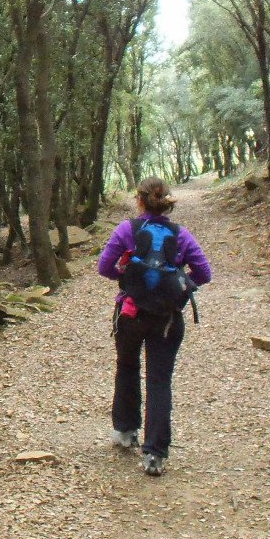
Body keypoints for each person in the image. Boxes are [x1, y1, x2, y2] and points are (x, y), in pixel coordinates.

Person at [97, 177, 212, 477]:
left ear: (139, 200)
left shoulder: (127, 230)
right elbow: (204, 272)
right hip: (167, 318)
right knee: (159, 381)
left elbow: (103, 267)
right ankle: (155, 453)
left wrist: (126, 275)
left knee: (127, 366)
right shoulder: (181, 235)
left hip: (131, 314)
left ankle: (125, 431)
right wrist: (180, 286)